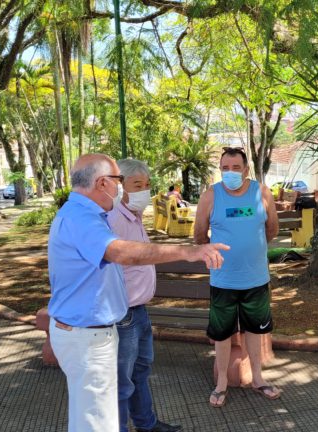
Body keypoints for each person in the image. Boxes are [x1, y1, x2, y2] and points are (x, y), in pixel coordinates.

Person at [47, 154, 228, 432]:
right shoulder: (83, 217)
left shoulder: (87, 214)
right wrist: (188, 252)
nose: (122, 189)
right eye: (120, 181)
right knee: (98, 420)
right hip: (89, 334)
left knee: (94, 414)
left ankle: (146, 423)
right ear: (102, 182)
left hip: (97, 328)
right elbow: (120, 252)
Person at [194, 147, 280, 408]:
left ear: (245, 169)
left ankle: (257, 378)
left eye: (235, 167)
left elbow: (272, 229)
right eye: (225, 168)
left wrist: (250, 250)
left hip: (256, 279)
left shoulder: (261, 193)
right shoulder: (211, 196)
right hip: (223, 281)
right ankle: (221, 383)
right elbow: (199, 236)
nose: (230, 172)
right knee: (222, 334)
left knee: (255, 330)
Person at [107, 159, 181, 432]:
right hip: (123, 312)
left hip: (139, 310)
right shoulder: (115, 219)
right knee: (121, 380)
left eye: (147, 185)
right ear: (119, 185)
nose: (144, 191)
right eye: (137, 185)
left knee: (140, 372)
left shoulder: (133, 217)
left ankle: (146, 424)